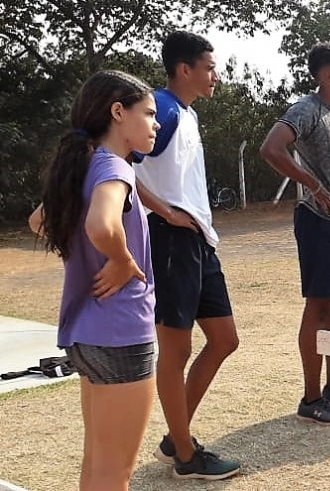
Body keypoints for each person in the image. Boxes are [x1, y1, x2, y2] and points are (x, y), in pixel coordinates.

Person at [29, 70, 158, 491]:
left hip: (88, 332)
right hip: (121, 332)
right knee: (114, 473)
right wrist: (120, 258)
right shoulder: (114, 168)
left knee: (97, 466)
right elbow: (102, 226)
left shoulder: (83, 165)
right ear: (118, 112)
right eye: (149, 113)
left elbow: (37, 221)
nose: (156, 124)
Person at [132, 31, 240, 478]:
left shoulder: (187, 114)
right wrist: (164, 212)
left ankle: (174, 438)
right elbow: (118, 160)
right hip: (171, 239)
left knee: (224, 339)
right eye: (210, 67)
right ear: (185, 69)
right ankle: (185, 455)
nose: (215, 75)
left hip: (200, 240)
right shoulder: (163, 109)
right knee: (175, 351)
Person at [259, 42, 330, 426]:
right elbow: (271, 149)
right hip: (319, 223)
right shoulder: (305, 110)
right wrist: (312, 184)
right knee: (318, 307)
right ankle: (310, 399)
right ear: (328, 75)